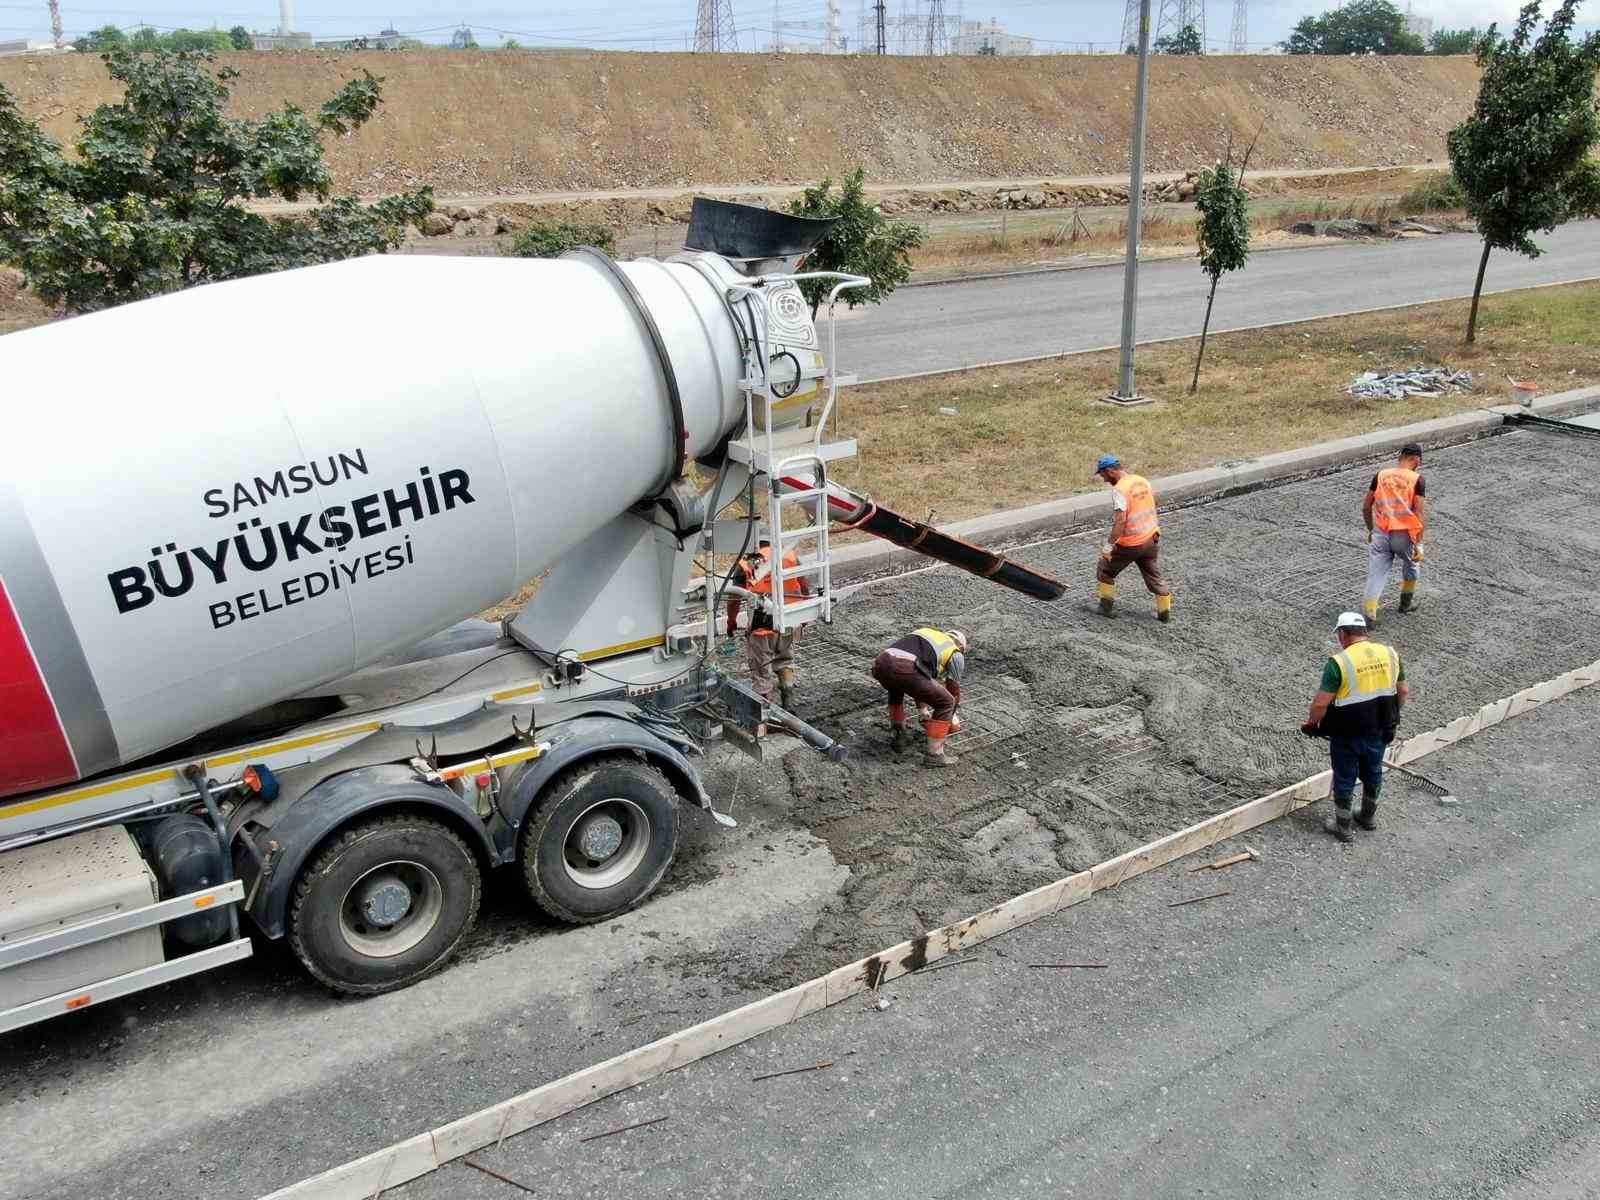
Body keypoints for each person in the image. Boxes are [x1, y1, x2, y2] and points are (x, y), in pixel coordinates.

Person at [1300, 612, 1409, 844]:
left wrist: (1312, 724)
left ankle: (1343, 827)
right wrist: (1393, 716)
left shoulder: (1339, 662)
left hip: (1347, 733)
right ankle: (1368, 818)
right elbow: (1403, 691)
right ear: (1364, 633)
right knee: (1373, 773)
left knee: (1345, 777)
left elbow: (1321, 703)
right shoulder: (1390, 654)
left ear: (1343, 634)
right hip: (1380, 730)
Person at [726, 538, 808, 715]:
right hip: (788, 622)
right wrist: (803, 616)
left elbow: (734, 598)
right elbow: (804, 585)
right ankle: (789, 704)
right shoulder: (789, 555)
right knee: (784, 661)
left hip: (761, 629)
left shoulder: (746, 564)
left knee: (761, 671)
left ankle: (764, 715)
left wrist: (731, 621)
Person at [871, 628, 968, 768]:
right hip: (904, 666)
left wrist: (922, 710)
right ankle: (935, 755)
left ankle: (899, 735)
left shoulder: (929, 635)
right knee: (947, 702)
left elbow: (920, 677)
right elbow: (953, 690)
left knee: (897, 687)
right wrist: (949, 718)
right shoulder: (955, 652)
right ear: (961, 646)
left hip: (881, 663)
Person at [1092, 454, 1173, 622]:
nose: (1105, 480)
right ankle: (1164, 613)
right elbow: (1153, 503)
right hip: (1150, 538)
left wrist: (1108, 547)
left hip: (1130, 544)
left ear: (1110, 471)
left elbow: (1120, 522)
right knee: (1153, 575)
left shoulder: (1120, 490)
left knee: (1105, 570)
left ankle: (1104, 608)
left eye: (1103, 475)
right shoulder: (1142, 480)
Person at [1361, 443, 1427, 630]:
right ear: (1416, 460)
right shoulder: (1417, 479)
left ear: (1400, 457)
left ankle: (1369, 615)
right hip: (1404, 534)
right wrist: (1419, 544)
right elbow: (1419, 512)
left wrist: (1371, 530)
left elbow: (1366, 507)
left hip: (1381, 532)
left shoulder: (1380, 475)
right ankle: (1405, 604)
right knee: (1412, 565)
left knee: (1377, 574)